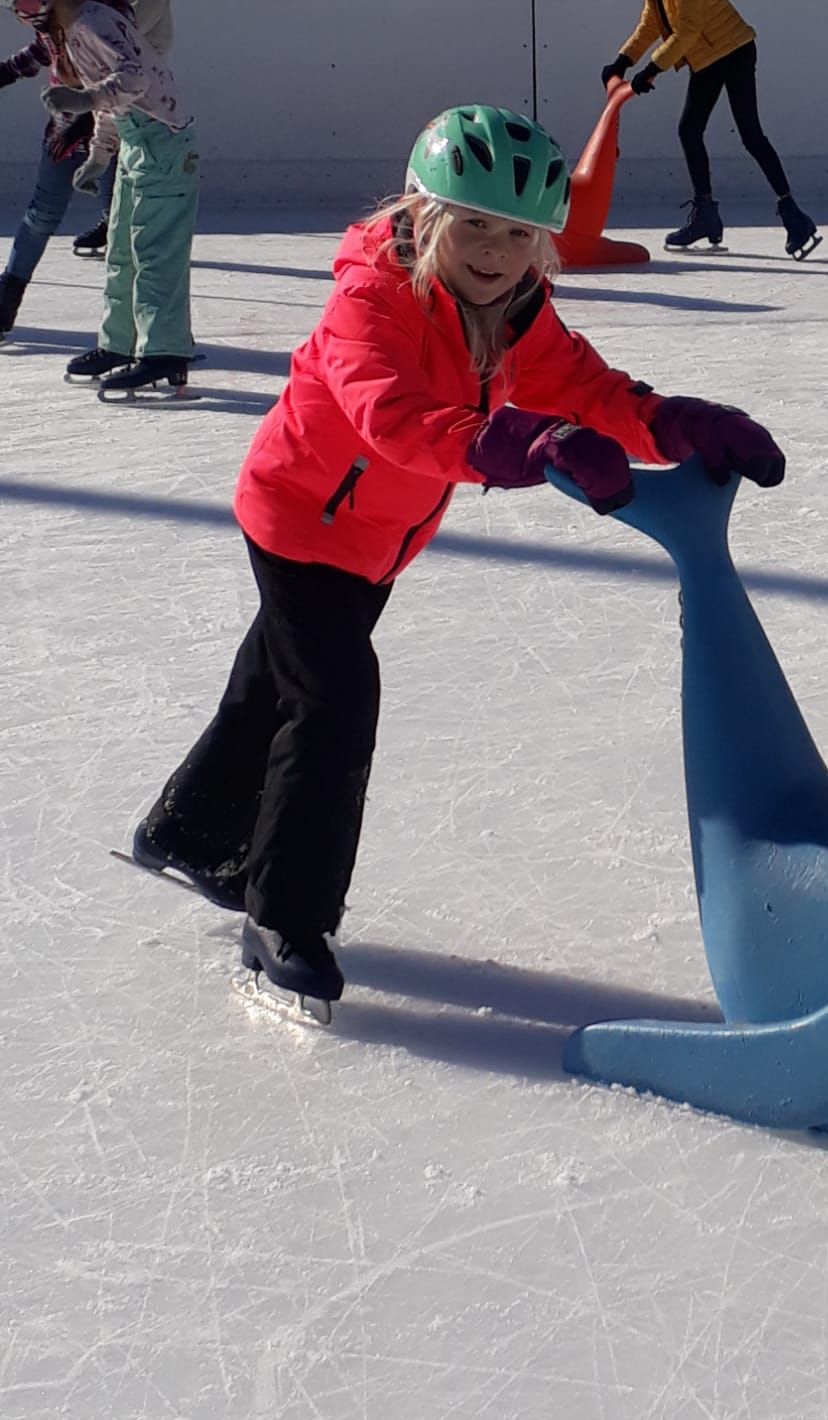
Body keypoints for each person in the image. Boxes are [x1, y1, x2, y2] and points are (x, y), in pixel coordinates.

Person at [127, 105, 786, 1012]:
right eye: (473, 223)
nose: (493, 250)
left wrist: (673, 423)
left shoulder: (516, 311)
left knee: (275, 684)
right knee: (332, 705)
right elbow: (389, 414)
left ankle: (191, 831)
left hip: (378, 532)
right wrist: (517, 444)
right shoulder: (372, 299)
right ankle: (284, 916)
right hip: (305, 517)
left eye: (517, 234)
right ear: (424, 214)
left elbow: (585, 387)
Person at [0, 0, 199, 390]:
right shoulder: (72, 31)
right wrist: (99, 156)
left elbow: (134, 79)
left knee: (155, 251)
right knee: (121, 250)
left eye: (23, 4)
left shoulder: (92, 22)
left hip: (164, 144)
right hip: (135, 143)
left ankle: (165, 351)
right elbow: (116, 106)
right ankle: (120, 343)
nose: (21, 15)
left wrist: (84, 99)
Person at [601, 0, 820, 260]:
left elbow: (687, 30)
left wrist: (651, 70)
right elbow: (653, 21)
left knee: (750, 134)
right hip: (707, 57)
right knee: (689, 130)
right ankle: (706, 214)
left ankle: (792, 213)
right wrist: (623, 60)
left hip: (733, 51)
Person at [0, 0, 123, 340]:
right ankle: (7, 297)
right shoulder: (48, 2)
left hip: (112, 122)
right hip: (67, 121)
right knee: (42, 212)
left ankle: (133, 319)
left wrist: (89, 115)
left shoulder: (97, 2)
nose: (19, 10)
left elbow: (130, 68)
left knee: (121, 220)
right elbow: (47, 46)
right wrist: (9, 71)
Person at [68, 0, 176, 256]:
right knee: (107, 130)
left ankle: (129, 222)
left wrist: (113, 44)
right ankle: (115, 219)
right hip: (98, 51)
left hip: (136, 55)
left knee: (131, 136)